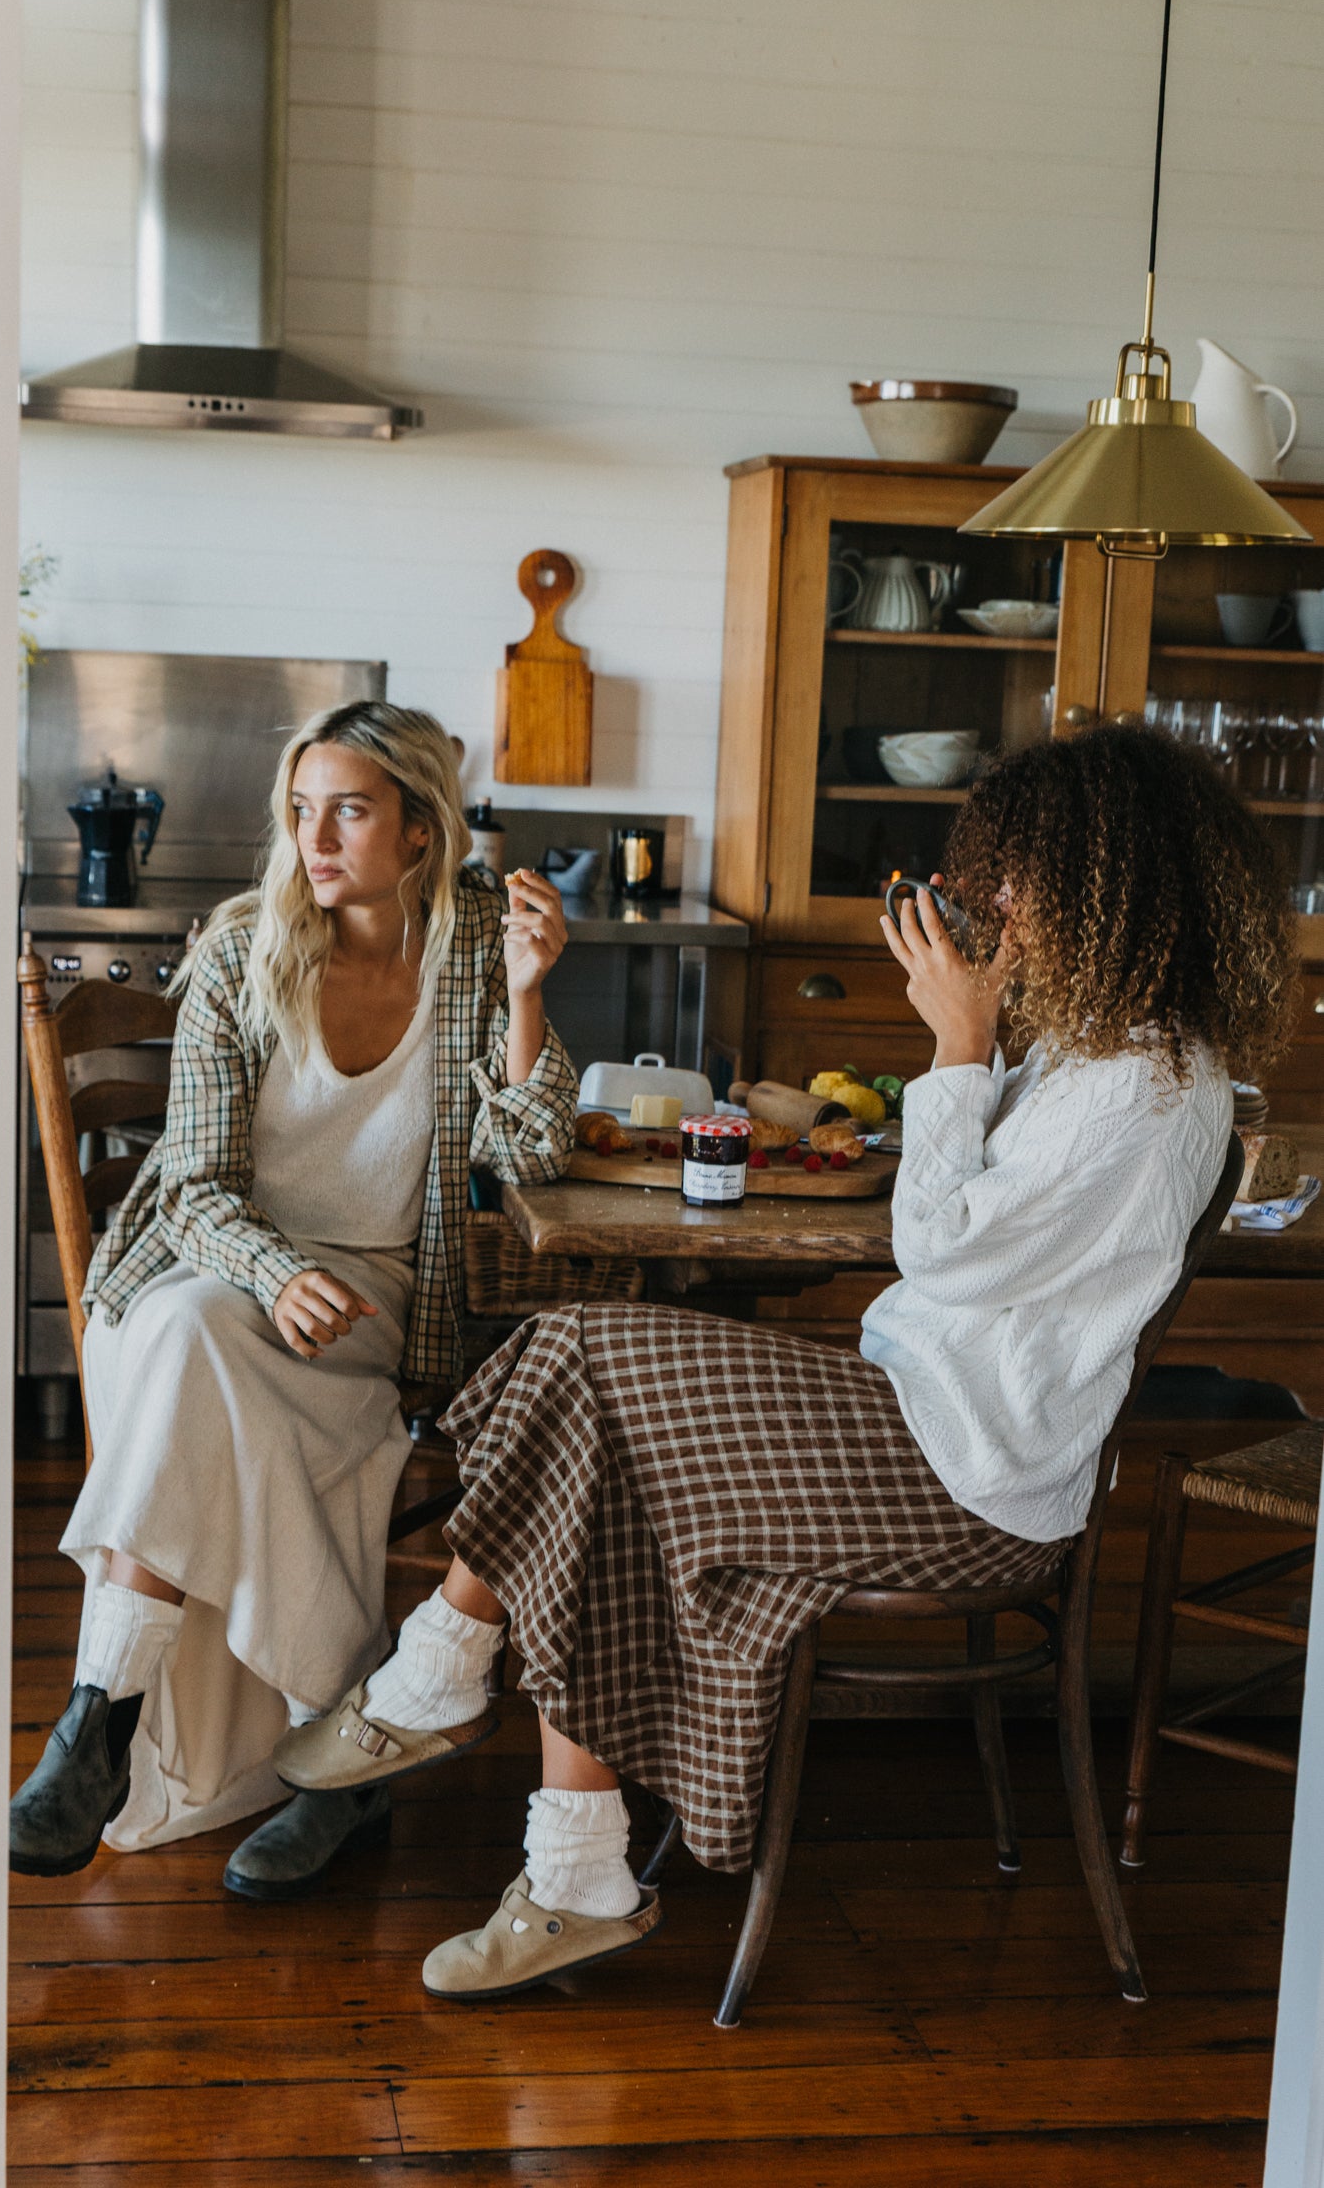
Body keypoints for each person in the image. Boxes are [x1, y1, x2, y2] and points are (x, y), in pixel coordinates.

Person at [273, 722, 1297, 1998]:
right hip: (920, 1419)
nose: (993, 904)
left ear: (1116, 882)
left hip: (965, 1478)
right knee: (590, 1431)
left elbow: (938, 1255)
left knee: (582, 1350)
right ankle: (566, 1868)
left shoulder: (1150, 1089)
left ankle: (439, 1681)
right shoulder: (1097, 1055)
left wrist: (958, 1050)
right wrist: (982, 1058)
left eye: (1023, 876)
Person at [9, 701, 578, 1898]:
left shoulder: (476, 946)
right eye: (302, 807)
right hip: (219, 1264)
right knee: (193, 1333)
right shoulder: (239, 948)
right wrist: (276, 1270)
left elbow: (528, 1159)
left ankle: (97, 1726)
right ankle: (332, 1754)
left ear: (421, 833)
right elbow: (199, 1188)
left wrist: (528, 996)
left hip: (378, 1299)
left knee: (202, 1359)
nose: (314, 836)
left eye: (351, 810)